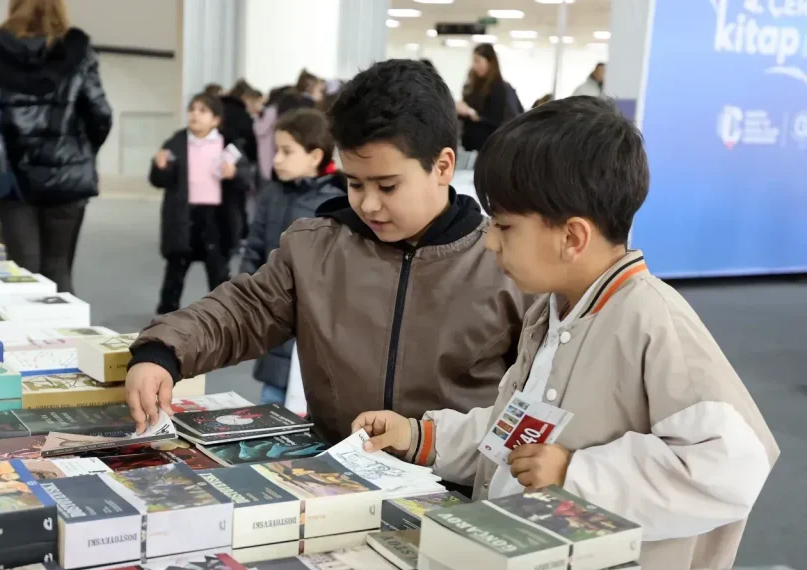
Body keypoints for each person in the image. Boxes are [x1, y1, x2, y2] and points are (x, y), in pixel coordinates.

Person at [352, 97, 778, 570]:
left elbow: (735, 466)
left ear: (572, 237)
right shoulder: (553, 314)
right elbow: (515, 439)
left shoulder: (652, 319)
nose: (490, 241)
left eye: (505, 226)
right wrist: (419, 436)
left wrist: (577, 475)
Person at [126, 60, 527, 443]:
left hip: (455, 489)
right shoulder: (316, 247)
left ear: (442, 167)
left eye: (387, 186)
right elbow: (242, 311)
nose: (368, 204)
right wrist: (164, 350)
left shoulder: (507, 264)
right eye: (354, 183)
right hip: (336, 475)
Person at [0, 0, 113, 293]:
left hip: (10, 178)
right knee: (59, 266)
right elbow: (101, 114)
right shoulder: (79, 52)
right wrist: (80, 152)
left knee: (22, 270)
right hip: (68, 179)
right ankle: (66, 337)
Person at [239, 108, 344, 404]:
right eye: (276, 150)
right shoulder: (271, 193)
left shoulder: (336, 201)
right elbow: (254, 248)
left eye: (287, 151)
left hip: (311, 325)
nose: (276, 160)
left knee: (308, 406)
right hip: (274, 320)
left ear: (314, 156)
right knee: (270, 404)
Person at [150, 92, 252, 314]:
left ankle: (222, 316)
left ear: (216, 119)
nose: (195, 115)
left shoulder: (229, 144)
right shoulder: (176, 143)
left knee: (218, 273)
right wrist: (160, 168)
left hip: (216, 218)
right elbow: (159, 181)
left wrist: (234, 173)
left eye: (202, 111)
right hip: (184, 216)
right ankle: (166, 315)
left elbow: (246, 178)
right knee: (175, 272)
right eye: (192, 109)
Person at [458, 43, 519, 152]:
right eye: (473, 61)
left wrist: (471, 113)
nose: (474, 66)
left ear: (489, 62)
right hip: (470, 145)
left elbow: (495, 120)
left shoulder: (498, 87)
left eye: (478, 61)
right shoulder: (473, 85)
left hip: (487, 146)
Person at [219, 79, 258, 169]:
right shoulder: (241, 112)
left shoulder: (218, 106)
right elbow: (249, 137)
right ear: (244, 96)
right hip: (234, 156)